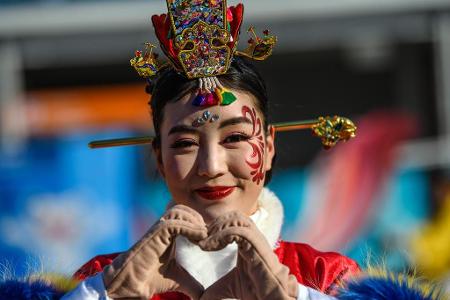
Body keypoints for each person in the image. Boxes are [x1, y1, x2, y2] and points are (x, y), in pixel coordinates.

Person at [60, 56, 360, 300]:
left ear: (268, 148)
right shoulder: (105, 279)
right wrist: (106, 294)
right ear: (160, 159)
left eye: (235, 138)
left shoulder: (326, 277)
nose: (211, 167)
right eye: (184, 144)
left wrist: (294, 297)